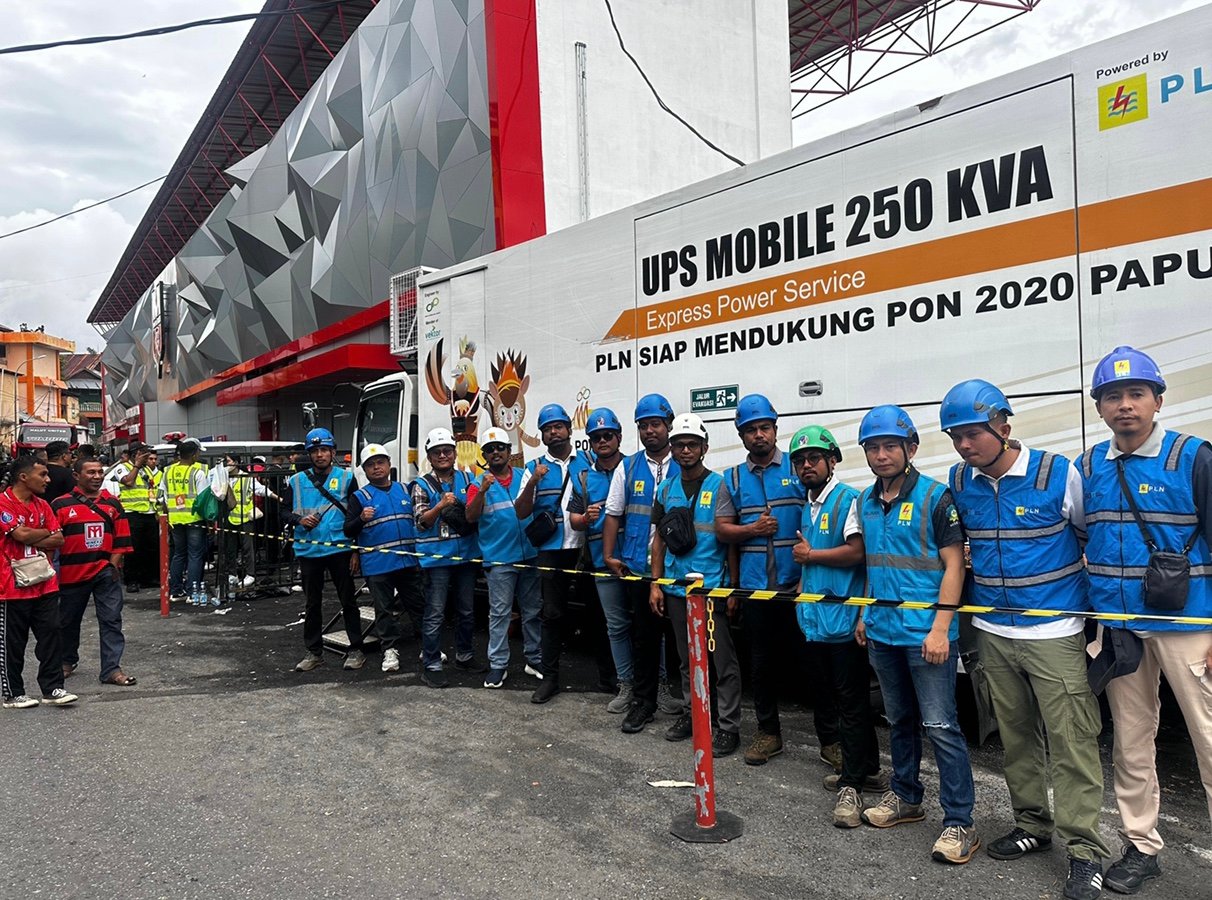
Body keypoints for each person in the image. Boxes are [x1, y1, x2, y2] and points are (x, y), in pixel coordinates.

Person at [941, 379, 1108, 897]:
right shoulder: (959, 479)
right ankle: (1033, 825)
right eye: (955, 437)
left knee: (1071, 741)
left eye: (973, 434)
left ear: (1004, 427)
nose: (965, 446)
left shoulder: (1059, 474)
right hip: (993, 631)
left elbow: (1089, 536)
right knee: (1014, 737)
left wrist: (1094, 619)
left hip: (1055, 633)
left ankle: (1085, 851)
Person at [1078, 346, 1212, 896]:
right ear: (1100, 407)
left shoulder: (1194, 458)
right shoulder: (1090, 466)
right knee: (1131, 742)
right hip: (1121, 628)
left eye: (1136, 395)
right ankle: (1140, 845)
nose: (1126, 406)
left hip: (1192, 628)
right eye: (1114, 396)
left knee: (1209, 741)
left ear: (1158, 400)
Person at [854, 404, 978, 864]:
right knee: (899, 720)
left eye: (890, 446)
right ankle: (905, 797)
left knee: (941, 726)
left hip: (926, 634)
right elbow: (874, 563)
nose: (882, 455)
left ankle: (959, 823)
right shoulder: (866, 501)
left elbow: (953, 565)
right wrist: (866, 613)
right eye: (873, 447)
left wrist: (942, 627)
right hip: (884, 631)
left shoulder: (935, 497)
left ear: (911, 448)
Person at [716, 395, 836, 769]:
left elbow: (819, 519)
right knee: (761, 666)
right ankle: (768, 734)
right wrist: (752, 529)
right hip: (755, 589)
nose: (758, 435)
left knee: (815, 666)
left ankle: (831, 741)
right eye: (750, 430)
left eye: (764, 428)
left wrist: (808, 574)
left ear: (774, 429)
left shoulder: (799, 468)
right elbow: (722, 530)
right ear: (741, 435)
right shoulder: (732, 478)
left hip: (798, 588)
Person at [787, 425, 883, 829]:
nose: (806, 465)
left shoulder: (848, 499)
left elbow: (858, 553)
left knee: (851, 703)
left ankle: (852, 784)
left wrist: (811, 557)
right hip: (819, 620)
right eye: (800, 460)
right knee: (837, 697)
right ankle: (870, 769)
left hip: (843, 621)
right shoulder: (809, 504)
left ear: (833, 461)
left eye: (814, 458)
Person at [649, 413, 743, 757]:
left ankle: (728, 726)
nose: (685, 450)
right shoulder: (666, 487)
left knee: (721, 662)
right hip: (676, 590)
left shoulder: (718, 485)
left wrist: (732, 586)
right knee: (686, 658)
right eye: (679, 445)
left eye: (691, 444)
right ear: (671, 449)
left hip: (711, 590)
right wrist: (655, 584)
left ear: (704, 447)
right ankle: (693, 714)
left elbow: (728, 539)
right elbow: (658, 540)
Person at [603, 393, 684, 734]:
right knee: (645, 639)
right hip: (638, 566)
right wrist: (609, 554)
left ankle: (687, 706)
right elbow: (612, 513)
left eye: (655, 424)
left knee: (682, 641)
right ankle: (644, 702)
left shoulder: (686, 461)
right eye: (643, 426)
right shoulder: (629, 466)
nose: (649, 431)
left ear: (668, 426)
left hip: (678, 570)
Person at [515, 403, 596, 703]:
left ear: (569, 429)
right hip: (551, 551)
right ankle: (550, 679)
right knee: (551, 614)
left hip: (586, 548)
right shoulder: (532, 468)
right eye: (548, 429)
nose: (553, 432)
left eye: (558, 426)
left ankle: (610, 677)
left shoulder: (587, 461)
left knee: (596, 611)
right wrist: (534, 481)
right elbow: (521, 512)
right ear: (543, 435)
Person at [465, 427, 542, 689]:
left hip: (529, 555)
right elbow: (471, 517)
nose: (495, 452)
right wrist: (484, 490)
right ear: (484, 455)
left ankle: (534, 658)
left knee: (532, 611)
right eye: (490, 449)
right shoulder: (478, 483)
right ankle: (498, 665)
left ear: (509, 451)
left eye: (500, 447)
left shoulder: (523, 476)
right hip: (499, 560)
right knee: (500, 614)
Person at [568, 408, 633, 712]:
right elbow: (574, 521)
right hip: (600, 563)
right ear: (590, 443)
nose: (603, 441)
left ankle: (655, 687)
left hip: (636, 561)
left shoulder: (635, 468)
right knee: (616, 626)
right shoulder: (583, 476)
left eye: (608, 435)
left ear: (619, 437)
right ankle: (626, 684)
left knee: (648, 626)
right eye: (596, 437)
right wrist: (585, 517)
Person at [1, 455, 77, 709]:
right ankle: (13, 693)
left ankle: (53, 688)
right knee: (13, 642)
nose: (48, 479)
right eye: (42, 475)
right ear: (24, 477)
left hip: (44, 583)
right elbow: (22, 533)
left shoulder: (43, 505)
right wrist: (41, 534)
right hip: (10, 586)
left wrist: (29, 537)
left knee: (51, 636)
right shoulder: (3, 503)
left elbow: (59, 539)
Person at [52, 458, 137, 686]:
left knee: (111, 620)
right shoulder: (59, 505)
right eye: (91, 472)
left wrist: (112, 566)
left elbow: (122, 540)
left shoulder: (113, 503)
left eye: (100, 472)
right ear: (76, 475)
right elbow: (51, 541)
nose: (97, 476)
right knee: (67, 621)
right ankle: (66, 662)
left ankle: (111, 669)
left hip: (104, 573)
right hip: (71, 574)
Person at [344, 444, 427, 677]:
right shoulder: (360, 498)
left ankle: (428, 647)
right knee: (384, 610)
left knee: (418, 605)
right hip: (377, 564)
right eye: (371, 465)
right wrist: (360, 518)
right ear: (365, 470)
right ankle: (389, 649)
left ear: (389, 464)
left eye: (380, 462)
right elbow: (348, 530)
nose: (376, 467)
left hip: (408, 562)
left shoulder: (405, 489)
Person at [285, 428, 363, 672]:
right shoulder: (296, 481)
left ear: (332, 452)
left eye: (324, 450)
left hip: (340, 548)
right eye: (315, 451)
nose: (319, 455)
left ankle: (356, 649)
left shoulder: (348, 478)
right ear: (310, 454)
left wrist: (356, 551)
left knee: (348, 601)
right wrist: (299, 520)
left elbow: (355, 516)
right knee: (312, 604)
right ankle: (313, 652)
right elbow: (283, 512)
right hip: (309, 551)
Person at [411, 428, 483, 678]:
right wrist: (440, 505)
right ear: (429, 458)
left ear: (454, 453)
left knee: (466, 610)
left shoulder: (467, 478)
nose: (442, 455)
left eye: (447, 451)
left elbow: (477, 508)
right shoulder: (421, 485)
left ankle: (465, 656)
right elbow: (421, 522)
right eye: (436, 452)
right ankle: (431, 664)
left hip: (465, 557)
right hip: (437, 559)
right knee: (435, 612)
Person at [159, 437, 209, 602]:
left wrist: (168, 514)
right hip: (194, 519)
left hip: (175, 519)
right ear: (194, 454)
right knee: (195, 555)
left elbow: (161, 497)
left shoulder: (167, 471)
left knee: (178, 554)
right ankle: (192, 592)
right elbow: (203, 500)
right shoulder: (198, 472)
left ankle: (175, 591)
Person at [223, 454, 278, 589]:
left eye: (228, 461)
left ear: (236, 462)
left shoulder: (246, 478)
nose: (226, 464)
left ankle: (250, 574)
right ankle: (232, 573)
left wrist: (277, 497)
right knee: (230, 548)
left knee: (247, 547)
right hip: (229, 518)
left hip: (245, 518)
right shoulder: (223, 476)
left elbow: (260, 490)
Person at [116, 442, 161, 594]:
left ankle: (148, 578)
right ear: (135, 454)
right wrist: (136, 465)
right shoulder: (123, 467)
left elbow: (152, 490)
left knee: (151, 548)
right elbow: (128, 481)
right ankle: (132, 580)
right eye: (143, 453)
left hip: (149, 513)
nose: (146, 456)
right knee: (133, 549)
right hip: (132, 513)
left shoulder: (147, 470)